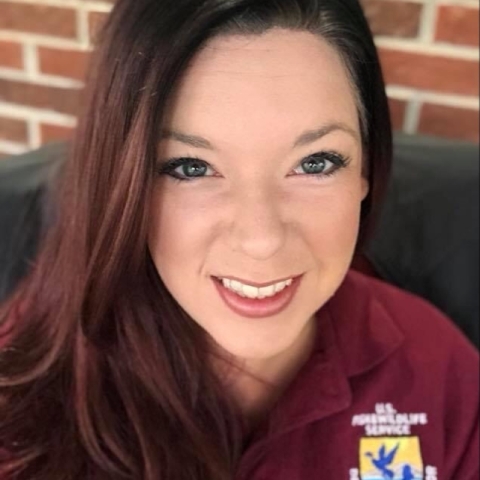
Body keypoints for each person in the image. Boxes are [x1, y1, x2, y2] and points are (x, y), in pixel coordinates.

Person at [0, 0, 477, 479]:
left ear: (366, 172)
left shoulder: (437, 373)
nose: (261, 241)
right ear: (121, 182)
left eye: (316, 162)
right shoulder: (21, 379)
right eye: (190, 167)